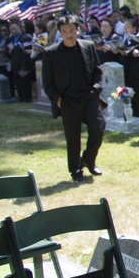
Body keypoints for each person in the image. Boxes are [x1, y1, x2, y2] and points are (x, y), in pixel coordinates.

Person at [42, 14, 106, 182]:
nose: (69, 35)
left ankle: (88, 159)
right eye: (64, 32)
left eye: (72, 30)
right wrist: (58, 100)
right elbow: (47, 82)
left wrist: (95, 90)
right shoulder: (51, 53)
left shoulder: (88, 46)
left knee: (98, 128)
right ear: (60, 33)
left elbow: (97, 71)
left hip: (88, 96)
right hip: (67, 100)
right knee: (73, 136)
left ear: (78, 30)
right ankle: (75, 169)